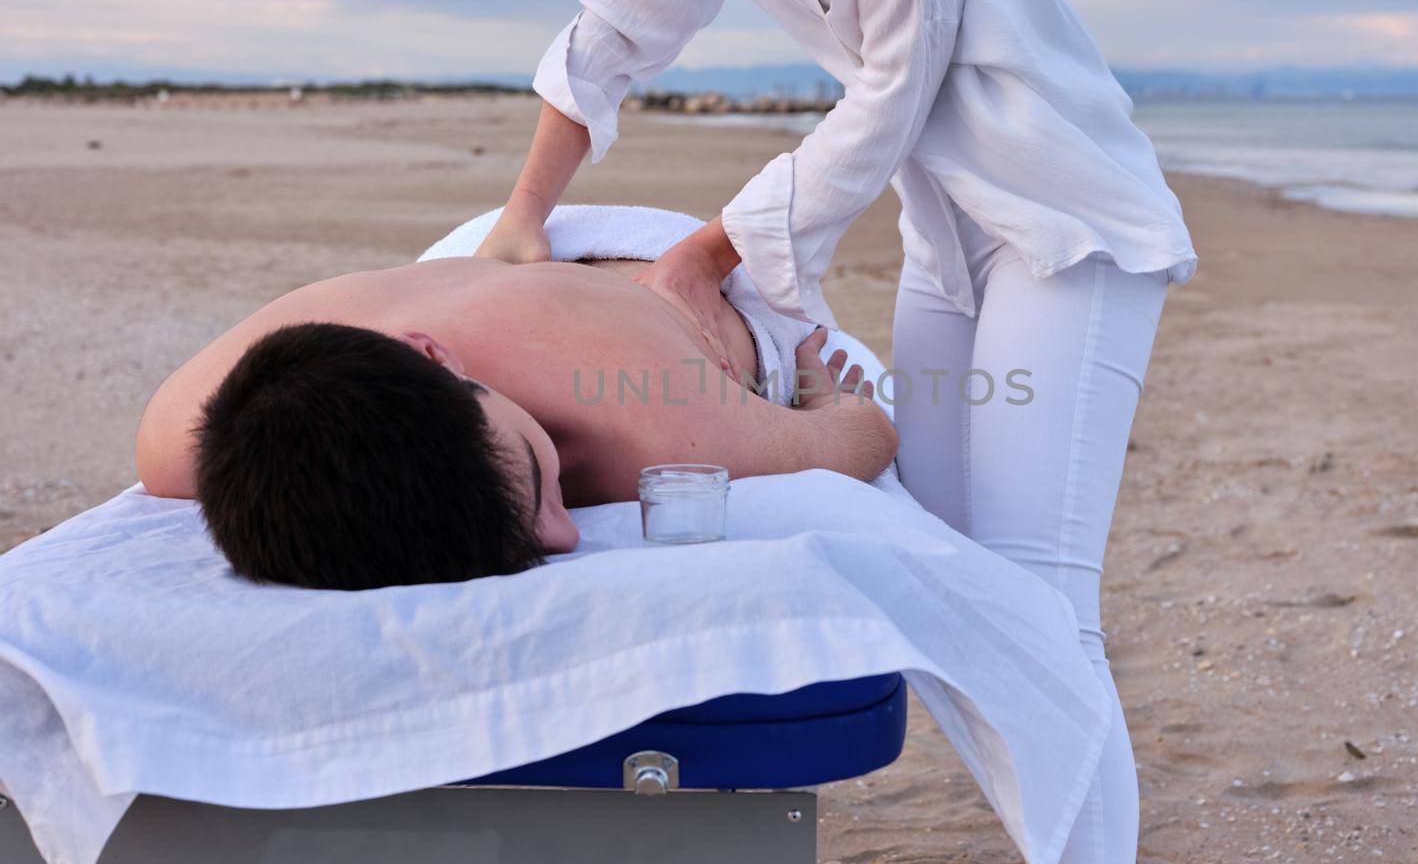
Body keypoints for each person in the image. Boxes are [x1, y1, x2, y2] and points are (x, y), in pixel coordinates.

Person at [473, 0, 1195, 864]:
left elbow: (899, 83)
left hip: (1063, 222)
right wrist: (523, 214)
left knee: (1038, 609)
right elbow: (629, 9)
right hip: (945, 239)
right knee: (952, 598)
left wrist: (705, 254)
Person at [134, 253, 893, 590]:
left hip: (651, 281)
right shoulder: (179, 436)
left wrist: (821, 399)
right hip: (473, 259)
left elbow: (865, 433)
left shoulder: (664, 424)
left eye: (541, 470)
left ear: (437, 361)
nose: (565, 536)